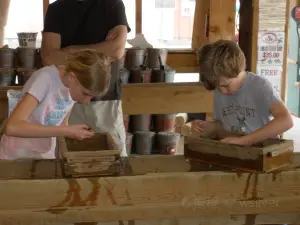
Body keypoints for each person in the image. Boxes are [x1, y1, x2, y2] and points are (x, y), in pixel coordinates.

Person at [41, 0, 131, 156]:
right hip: (65, 102)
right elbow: (49, 58)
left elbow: (116, 50)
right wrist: (101, 51)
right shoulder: (56, 8)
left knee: (113, 162)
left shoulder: (112, 4)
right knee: (68, 161)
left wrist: (70, 50)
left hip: (105, 102)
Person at [0, 50, 111, 159]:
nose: (86, 101)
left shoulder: (71, 87)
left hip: (43, 157)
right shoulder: (45, 79)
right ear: (72, 77)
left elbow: (62, 124)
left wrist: (72, 133)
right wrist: (67, 130)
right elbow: (12, 127)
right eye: (85, 94)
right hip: (17, 157)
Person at [190, 39, 293, 145]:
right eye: (217, 87)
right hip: (236, 151)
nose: (222, 91)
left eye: (226, 85)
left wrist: (245, 140)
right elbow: (224, 123)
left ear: (238, 70)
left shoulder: (260, 86)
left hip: (263, 150)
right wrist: (209, 126)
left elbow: (286, 121)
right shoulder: (220, 89)